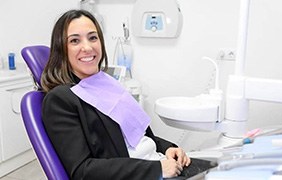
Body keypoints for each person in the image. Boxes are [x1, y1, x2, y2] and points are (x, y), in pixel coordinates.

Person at [41, 9, 213, 180]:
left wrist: (168, 149)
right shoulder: (61, 99)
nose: (87, 47)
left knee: (224, 168)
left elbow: (138, 136)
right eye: (75, 41)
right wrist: (157, 169)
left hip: (159, 162)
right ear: (61, 48)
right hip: (144, 174)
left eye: (93, 37)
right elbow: (83, 171)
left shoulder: (107, 83)